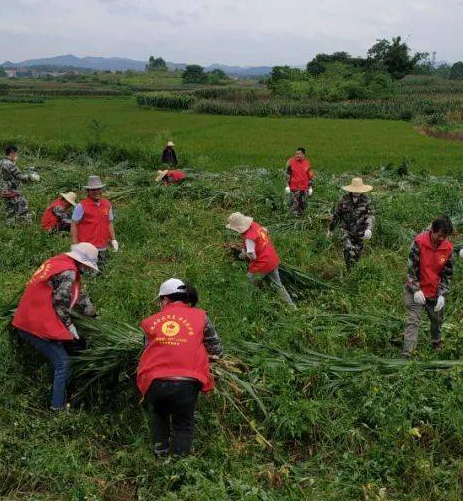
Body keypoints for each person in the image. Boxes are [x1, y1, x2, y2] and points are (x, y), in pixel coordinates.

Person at [137, 278, 223, 458]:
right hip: (188, 381)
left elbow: (147, 351)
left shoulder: (151, 321)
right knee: (183, 423)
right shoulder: (201, 316)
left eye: (161, 300)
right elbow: (216, 348)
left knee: (159, 414)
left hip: (156, 381)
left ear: (166, 299)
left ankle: (160, 454)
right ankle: (180, 464)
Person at [11, 242, 99, 411]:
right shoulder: (68, 271)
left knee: (61, 358)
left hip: (27, 316)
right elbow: (60, 304)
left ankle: (57, 393)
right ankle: (57, 409)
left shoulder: (57, 262)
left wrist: (92, 314)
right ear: (82, 262)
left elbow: (79, 295)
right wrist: (69, 326)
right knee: (63, 363)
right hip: (35, 323)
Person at [402, 216, 454, 357]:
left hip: (434, 290)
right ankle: (408, 354)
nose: (441, 239)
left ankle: (436, 343)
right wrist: (416, 290)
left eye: (445, 236)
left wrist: (442, 294)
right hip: (415, 290)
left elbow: (447, 274)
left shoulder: (447, 248)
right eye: (439, 235)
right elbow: (411, 271)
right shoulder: (419, 243)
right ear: (432, 231)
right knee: (413, 321)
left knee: (437, 320)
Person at [225, 211, 295, 306]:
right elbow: (265, 231)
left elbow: (252, 255)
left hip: (262, 264)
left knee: (247, 284)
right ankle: (292, 306)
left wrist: (244, 255)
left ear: (238, 228)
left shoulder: (248, 238)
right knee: (278, 285)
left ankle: (246, 305)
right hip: (272, 259)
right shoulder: (255, 225)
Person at [328, 177, 375, 271]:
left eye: (359, 190)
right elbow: (337, 214)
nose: (357, 192)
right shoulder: (343, 199)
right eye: (355, 190)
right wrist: (331, 229)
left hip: (360, 231)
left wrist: (369, 229)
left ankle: (353, 271)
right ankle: (349, 270)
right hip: (346, 229)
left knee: (357, 252)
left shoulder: (366, 201)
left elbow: (370, 216)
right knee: (348, 248)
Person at [70, 176, 118, 266]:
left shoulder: (107, 204)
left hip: (102, 246)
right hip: (87, 248)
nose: (97, 192)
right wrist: (74, 244)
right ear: (88, 191)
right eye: (93, 189)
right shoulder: (81, 206)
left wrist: (113, 239)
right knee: (88, 274)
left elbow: (109, 223)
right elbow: (74, 225)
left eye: (99, 189)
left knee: (103, 271)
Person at [0, 144, 40, 222]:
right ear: (12, 153)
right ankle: (25, 224)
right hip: (11, 190)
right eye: (16, 154)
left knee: (10, 208)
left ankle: (10, 224)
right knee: (23, 205)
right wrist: (32, 177)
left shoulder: (2, 162)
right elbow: (20, 176)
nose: (16, 156)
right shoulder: (10, 164)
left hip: (4, 190)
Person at [285, 147, 313, 217]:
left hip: (304, 188)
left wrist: (310, 187)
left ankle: (302, 219)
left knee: (303, 205)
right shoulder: (291, 162)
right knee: (294, 205)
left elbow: (309, 176)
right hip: (295, 188)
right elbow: (288, 174)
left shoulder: (307, 163)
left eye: (298, 154)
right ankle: (293, 219)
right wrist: (287, 185)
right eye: (296, 154)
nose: (296, 155)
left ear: (303, 154)